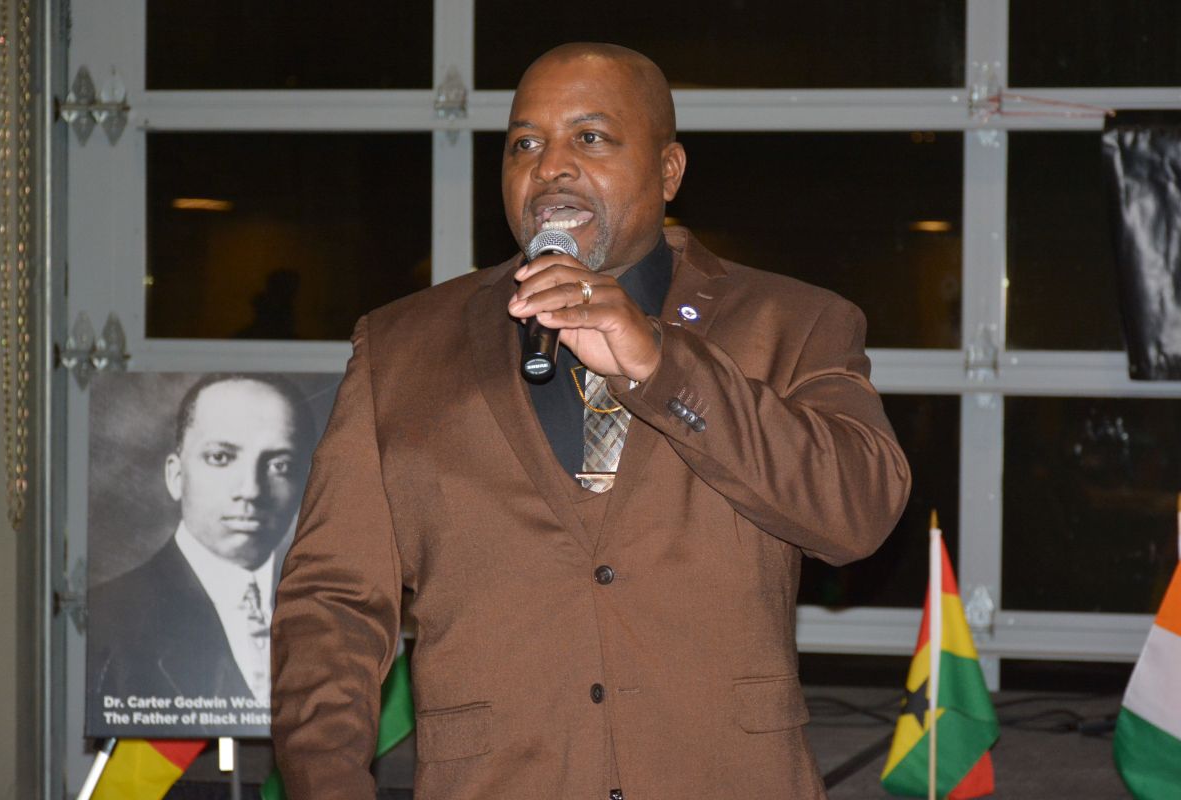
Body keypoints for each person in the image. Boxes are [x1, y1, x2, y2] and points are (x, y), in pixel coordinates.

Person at [271, 43, 911, 799]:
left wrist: (659, 364)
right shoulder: (402, 347)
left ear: (669, 171)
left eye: (591, 137)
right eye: (525, 143)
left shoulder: (794, 322)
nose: (551, 167)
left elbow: (857, 513)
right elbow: (332, 604)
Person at [89, 374, 314, 712]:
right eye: (220, 457)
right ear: (176, 476)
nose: (251, 490)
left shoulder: (332, 614)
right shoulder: (103, 620)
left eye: (279, 465)